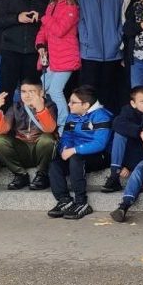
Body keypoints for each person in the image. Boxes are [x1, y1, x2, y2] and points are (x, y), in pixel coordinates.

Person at [47, 85, 112, 220]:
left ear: (86, 105)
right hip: (75, 154)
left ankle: (81, 202)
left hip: (99, 156)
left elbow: (100, 144)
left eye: (73, 102)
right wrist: (65, 148)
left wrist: (74, 150)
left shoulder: (102, 116)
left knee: (76, 159)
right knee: (55, 163)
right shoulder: (72, 116)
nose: (69, 104)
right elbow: (67, 137)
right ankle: (64, 200)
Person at [0, 80, 57, 190]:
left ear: (41, 93)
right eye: (23, 91)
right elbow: (2, 130)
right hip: (22, 150)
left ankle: (42, 175)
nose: (27, 95)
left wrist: (40, 108)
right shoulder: (16, 106)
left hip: (41, 151)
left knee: (48, 139)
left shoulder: (49, 105)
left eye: (31, 91)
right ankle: (20, 175)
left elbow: (50, 129)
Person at [76, 0, 124, 111]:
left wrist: (117, 39)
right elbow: (80, 20)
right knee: (89, 91)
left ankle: (108, 125)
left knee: (109, 91)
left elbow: (122, 19)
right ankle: (90, 124)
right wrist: (86, 39)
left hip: (113, 52)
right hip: (90, 51)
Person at [102, 85, 143, 193]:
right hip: (131, 156)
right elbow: (117, 123)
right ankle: (115, 174)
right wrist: (140, 132)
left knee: (123, 133)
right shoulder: (127, 110)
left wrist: (129, 166)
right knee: (119, 134)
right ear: (133, 104)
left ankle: (118, 176)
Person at [36, 0, 80, 129]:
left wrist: (44, 18)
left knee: (55, 90)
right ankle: (47, 120)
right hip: (53, 56)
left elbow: (59, 30)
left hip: (66, 57)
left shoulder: (71, 8)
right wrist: (40, 43)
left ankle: (63, 125)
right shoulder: (51, 5)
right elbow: (44, 29)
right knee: (42, 86)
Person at [0, 0, 46, 96]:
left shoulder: (43, 2)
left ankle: (29, 116)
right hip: (11, 50)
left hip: (32, 53)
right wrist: (17, 18)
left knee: (30, 89)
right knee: (6, 88)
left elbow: (49, 25)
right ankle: (4, 115)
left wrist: (40, 17)